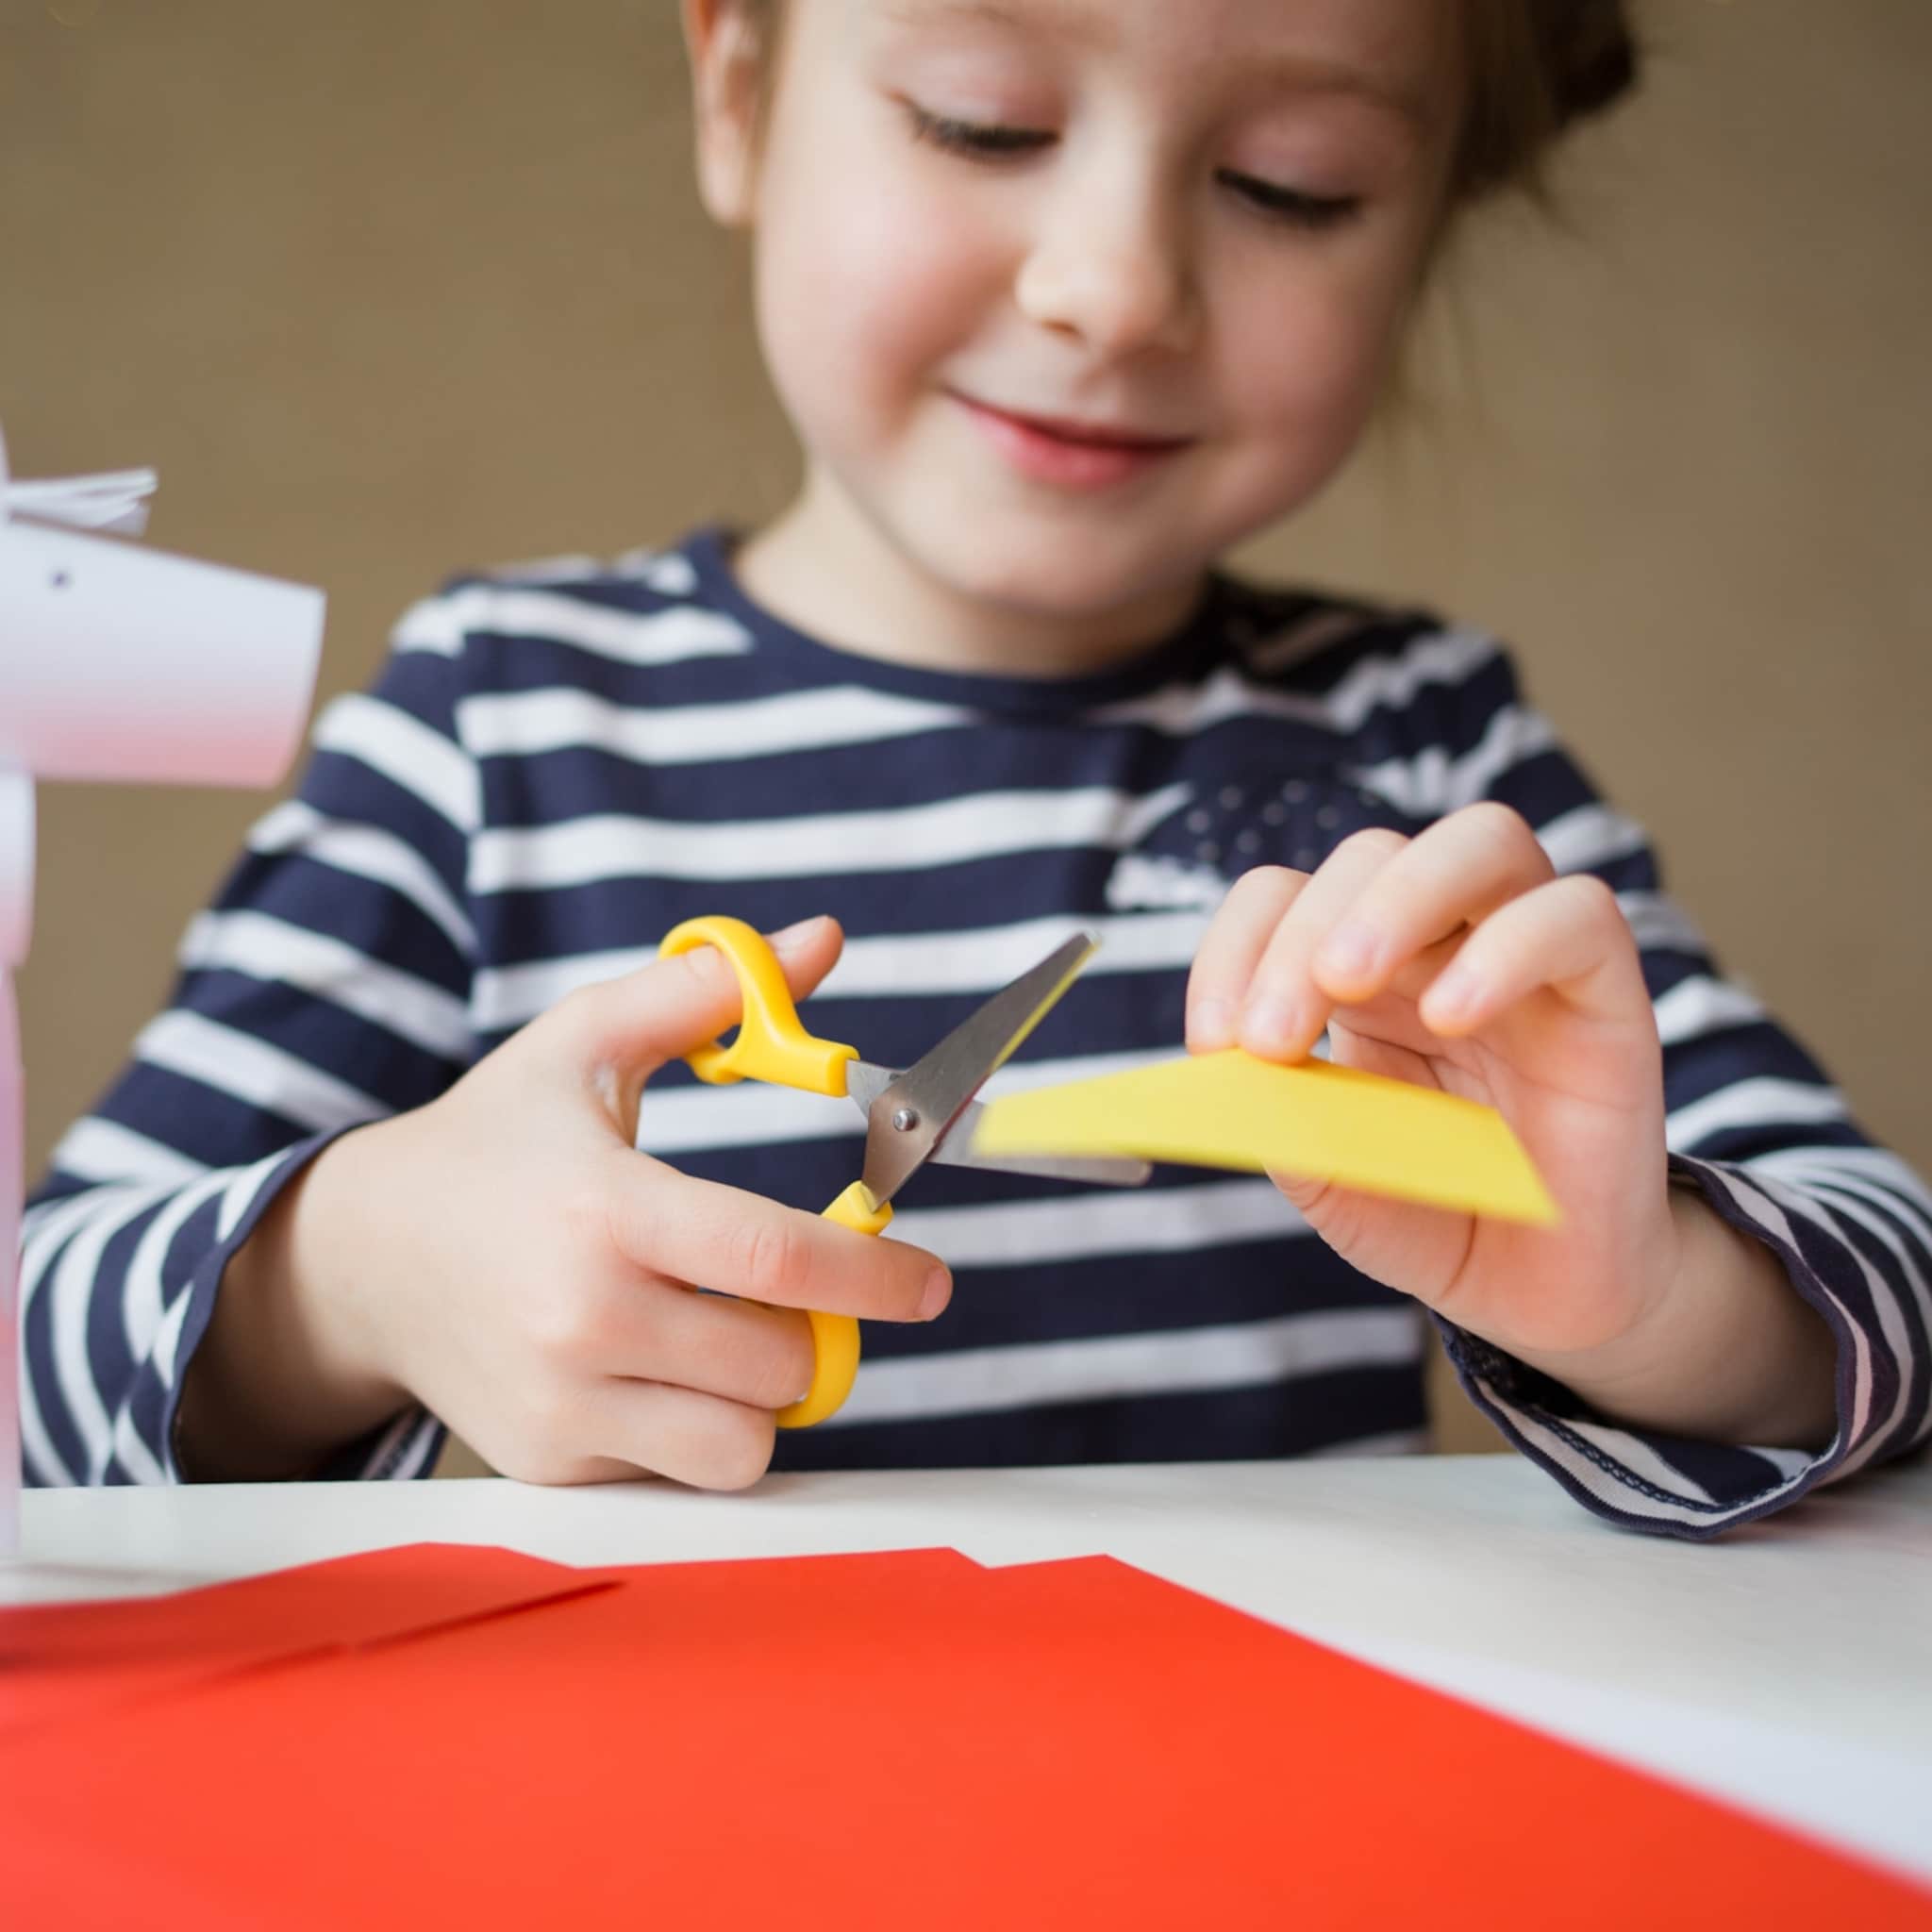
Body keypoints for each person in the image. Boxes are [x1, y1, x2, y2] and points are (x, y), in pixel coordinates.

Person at [21, 0, 1928, 1535]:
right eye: (982, 122)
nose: (1112, 287)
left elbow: (1892, 1294)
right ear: (738, 91)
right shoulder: (495, 725)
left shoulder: (1417, 752)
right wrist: (344, 1279)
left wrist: (1645, 1297)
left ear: (1426, 223)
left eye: (1291, 181)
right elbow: (35, 1366)